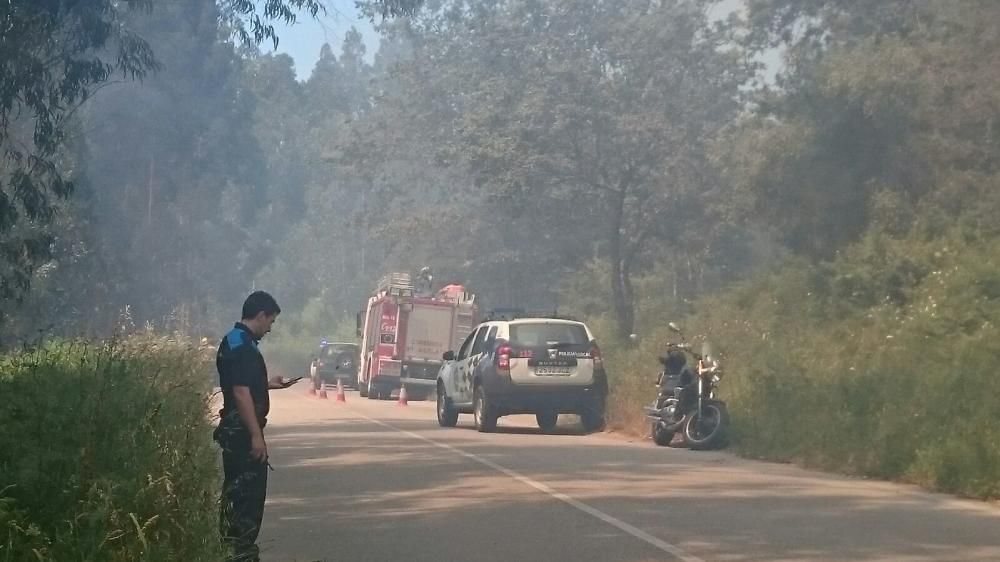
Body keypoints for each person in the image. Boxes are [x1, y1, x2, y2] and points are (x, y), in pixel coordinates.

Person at [214, 291, 298, 562]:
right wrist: (255, 436)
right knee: (245, 500)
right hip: (241, 434)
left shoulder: (238, 340)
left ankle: (235, 550)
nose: (270, 328)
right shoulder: (241, 345)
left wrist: (269, 384)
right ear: (260, 315)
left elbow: (245, 385)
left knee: (239, 498)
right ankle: (240, 553)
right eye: (270, 321)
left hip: (238, 431)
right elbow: (240, 393)